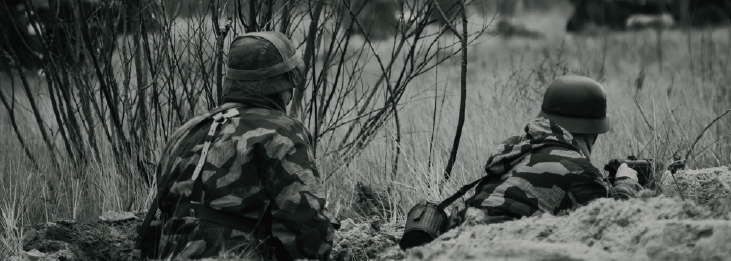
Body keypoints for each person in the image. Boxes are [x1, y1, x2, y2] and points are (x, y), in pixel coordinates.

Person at [154, 31, 335, 260]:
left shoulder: (186, 131)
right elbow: (309, 227)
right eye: (290, 81)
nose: (291, 93)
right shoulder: (281, 131)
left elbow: (162, 211)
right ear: (279, 84)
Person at [450, 75, 643, 227]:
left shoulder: (516, 151)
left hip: (465, 232)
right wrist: (626, 183)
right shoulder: (580, 171)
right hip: (503, 244)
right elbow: (615, 226)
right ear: (593, 132)